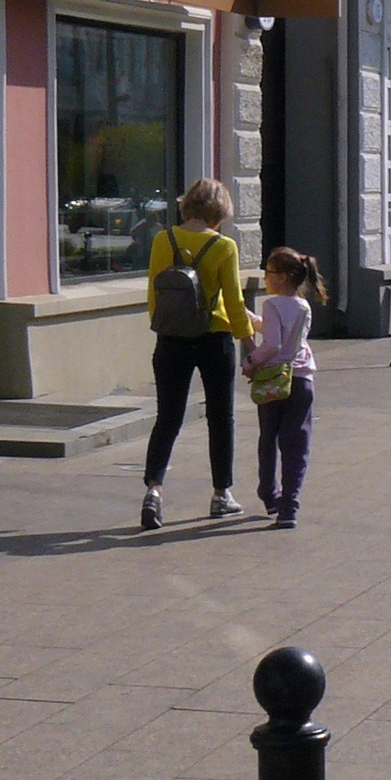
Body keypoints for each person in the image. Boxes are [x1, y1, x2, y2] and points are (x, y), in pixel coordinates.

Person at [139, 179, 254, 530]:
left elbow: (153, 294)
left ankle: (154, 492)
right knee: (221, 418)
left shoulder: (163, 238)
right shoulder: (224, 247)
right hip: (213, 337)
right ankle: (222, 494)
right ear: (220, 211)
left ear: (187, 204)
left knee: (168, 418)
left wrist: (165, 326)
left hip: (171, 338)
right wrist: (248, 343)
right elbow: (234, 302)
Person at [243, 246, 326, 529]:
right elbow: (286, 336)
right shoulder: (303, 306)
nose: (265, 277)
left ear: (283, 277)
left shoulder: (272, 304)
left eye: (269, 272)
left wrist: (251, 361)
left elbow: (273, 344)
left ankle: (269, 493)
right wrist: (255, 322)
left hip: (274, 380)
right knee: (296, 443)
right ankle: (289, 506)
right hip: (302, 378)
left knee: (268, 438)